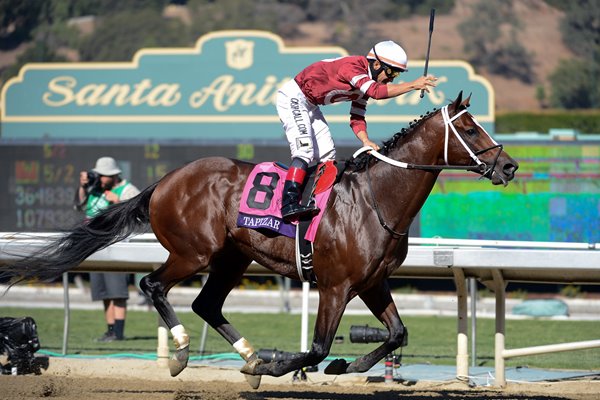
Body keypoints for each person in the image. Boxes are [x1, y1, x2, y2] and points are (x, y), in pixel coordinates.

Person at [276, 40, 438, 221]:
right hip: (294, 98)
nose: (392, 78)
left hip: (311, 105)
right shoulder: (352, 67)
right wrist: (412, 85)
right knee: (304, 151)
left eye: (397, 75)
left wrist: (365, 141)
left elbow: (357, 117)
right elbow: (376, 92)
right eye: (391, 72)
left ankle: (315, 200)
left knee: (328, 155)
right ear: (376, 64)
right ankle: (288, 203)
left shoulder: (366, 83)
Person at [77, 157, 140, 342]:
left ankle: (118, 333)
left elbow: (139, 211)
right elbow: (79, 205)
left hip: (116, 246)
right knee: (104, 292)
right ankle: (110, 330)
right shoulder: (95, 189)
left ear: (113, 175)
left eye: (104, 176)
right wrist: (82, 186)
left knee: (117, 292)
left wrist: (119, 200)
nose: (101, 179)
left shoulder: (128, 189)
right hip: (95, 246)